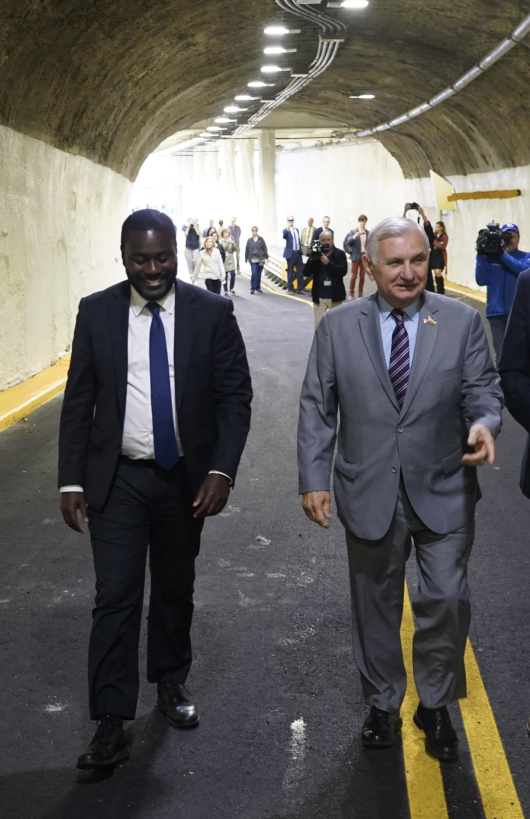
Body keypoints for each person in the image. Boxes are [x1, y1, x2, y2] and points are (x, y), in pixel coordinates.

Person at [298, 216, 502, 762]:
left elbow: (484, 391)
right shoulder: (337, 327)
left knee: (447, 600)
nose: (409, 273)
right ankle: (382, 702)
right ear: (370, 265)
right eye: (395, 263)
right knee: (375, 606)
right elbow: (317, 407)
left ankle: (434, 703)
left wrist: (485, 424)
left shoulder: (460, 321)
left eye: (418, 260)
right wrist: (314, 479)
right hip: (368, 489)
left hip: (444, 485)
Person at [58, 208, 252, 770]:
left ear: (174, 254)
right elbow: (79, 400)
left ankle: (169, 681)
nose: (152, 269)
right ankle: (111, 720)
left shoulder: (211, 312)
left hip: (182, 479)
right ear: (123, 258)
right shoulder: (97, 312)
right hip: (117, 479)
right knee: (115, 595)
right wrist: (71, 479)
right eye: (140, 259)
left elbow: (234, 398)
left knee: (174, 587)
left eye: (162, 257)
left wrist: (220, 471)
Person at [476, 223, 530, 363]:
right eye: (506, 237)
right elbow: (481, 280)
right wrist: (480, 255)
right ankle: (502, 378)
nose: (509, 240)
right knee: (500, 355)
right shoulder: (491, 258)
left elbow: (524, 271)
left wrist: (502, 256)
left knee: (520, 353)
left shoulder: (526, 257)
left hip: (518, 314)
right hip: (496, 314)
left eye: (513, 236)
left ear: (519, 238)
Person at [303, 230, 347, 328]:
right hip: (319, 297)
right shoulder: (316, 255)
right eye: (323, 240)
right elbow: (306, 273)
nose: (325, 242)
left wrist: (328, 263)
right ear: (319, 241)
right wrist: (311, 259)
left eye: (328, 240)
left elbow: (343, 271)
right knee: (319, 328)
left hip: (335, 296)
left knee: (336, 327)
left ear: (332, 240)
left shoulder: (340, 254)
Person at [403, 204, 435, 293]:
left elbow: (428, 229)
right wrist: (405, 212)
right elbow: (401, 229)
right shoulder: (407, 241)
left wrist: (423, 215)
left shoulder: (426, 241)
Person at [344, 215, 370, 299]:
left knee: (362, 276)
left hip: (364, 256)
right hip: (355, 255)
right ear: (359, 222)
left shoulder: (368, 233)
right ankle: (351, 293)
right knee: (354, 276)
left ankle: (360, 293)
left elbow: (369, 244)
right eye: (362, 221)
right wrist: (354, 237)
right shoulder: (353, 231)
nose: (363, 223)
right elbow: (348, 242)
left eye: (364, 221)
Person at [283, 216, 304, 295]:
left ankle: (300, 289)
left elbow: (298, 241)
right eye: (289, 220)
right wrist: (288, 228)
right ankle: (290, 289)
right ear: (287, 221)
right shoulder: (286, 230)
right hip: (290, 254)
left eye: (292, 220)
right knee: (290, 272)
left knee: (300, 272)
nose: (291, 222)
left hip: (298, 253)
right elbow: (284, 236)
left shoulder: (296, 230)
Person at [245, 226, 268, 295]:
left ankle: (258, 288)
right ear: (251, 231)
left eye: (255, 230)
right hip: (253, 259)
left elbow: (265, 248)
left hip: (260, 259)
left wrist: (266, 257)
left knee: (258, 274)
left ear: (257, 231)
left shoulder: (261, 239)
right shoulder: (249, 240)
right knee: (254, 273)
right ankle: (253, 288)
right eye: (253, 230)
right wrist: (246, 258)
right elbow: (247, 250)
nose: (254, 232)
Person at [430, 220, 449, 295]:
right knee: (435, 273)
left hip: (440, 256)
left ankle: (441, 289)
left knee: (438, 272)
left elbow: (443, 246)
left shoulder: (444, 236)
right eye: (436, 226)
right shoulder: (434, 235)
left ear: (442, 228)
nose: (436, 228)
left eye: (438, 227)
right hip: (434, 255)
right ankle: (438, 289)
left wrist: (435, 243)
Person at [220, 228, 237, 295]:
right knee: (225, 275)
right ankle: (225, 290)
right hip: (224, 259)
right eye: (225, 232)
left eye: (228, 233)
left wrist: (233, 244)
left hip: (231, 258)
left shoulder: (231, 239)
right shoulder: (221, 241)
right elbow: (223, 248)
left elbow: (234, 249)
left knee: (233, 274)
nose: (227, 234)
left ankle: (231, 288)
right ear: (223, 233)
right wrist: (228, 242)